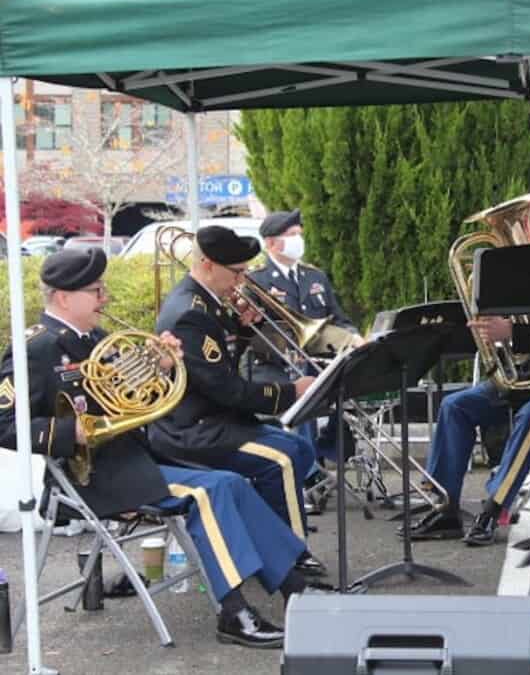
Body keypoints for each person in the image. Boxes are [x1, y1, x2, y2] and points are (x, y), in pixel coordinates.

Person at [0, 248, 320, 648]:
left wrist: (161, 368)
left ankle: (295, 586)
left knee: (234, 483)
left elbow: (131, 396)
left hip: (136, 459)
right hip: (92, 476)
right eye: (96, 291)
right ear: (64, 297)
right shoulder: (35, 349)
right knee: (209, 491)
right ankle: (234, 613)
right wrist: (71, 433)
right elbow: (5, 425)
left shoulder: (99, 339)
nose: (105, 299)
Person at [407, 195, 530, 546]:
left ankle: (493, 509)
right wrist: (493, 328)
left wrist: (516, 333)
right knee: (455, 406)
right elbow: (510, 318)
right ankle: (446, 507)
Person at [148, 226, 326, 577]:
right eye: (237, 273)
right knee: (282, 459)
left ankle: (268, 541)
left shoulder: (206, 301)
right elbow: (226, 389)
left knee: (300, 450)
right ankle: (290, 560)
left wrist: (244, 329)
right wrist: (292, 391)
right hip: (192, 430)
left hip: (214, 419)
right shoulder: (189, 312)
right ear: (208, 264)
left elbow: (221, 363)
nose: (242, 281)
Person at [245, 210, 363, 491]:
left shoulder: (315, 277)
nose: (299, 240)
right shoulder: (257, 281)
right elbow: (253, 333)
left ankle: (329, 453)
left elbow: (336, 318)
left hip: (317, 359)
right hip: (273, 364)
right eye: (292, 236)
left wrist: (355, 338)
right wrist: (286, 350)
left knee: (346, 385)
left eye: (300, 234)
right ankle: (309, 472)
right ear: (272, 244)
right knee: (302, 393)